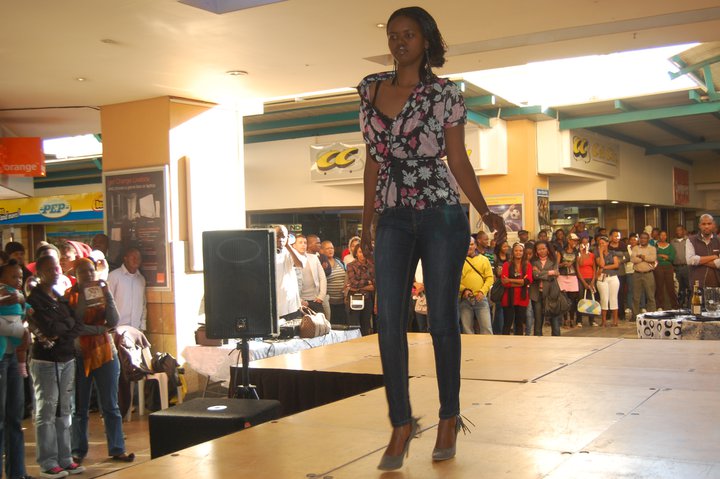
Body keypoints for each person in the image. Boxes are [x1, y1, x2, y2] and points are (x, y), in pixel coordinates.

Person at [357, 6, 506, 470]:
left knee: (442, 319)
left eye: (408, 34)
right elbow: (373, 159)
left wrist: (485, 210)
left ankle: (448, 416)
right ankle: (401, 423)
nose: (399, 42)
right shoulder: (369, 88)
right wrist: (367, 219)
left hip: (441, 211)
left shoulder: (445, 94)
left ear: (426, 41)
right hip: (393, 213)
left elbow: (457, 159)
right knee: (388, 320)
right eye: (393, 35)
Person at [67, 258, 134, 465]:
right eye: (83, 272)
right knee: (80, 407)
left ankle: (117, 449)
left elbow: (113, 321)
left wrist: (108, 295)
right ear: (76, 275)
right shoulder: (70, 296)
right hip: (81, 354)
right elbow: (75, 325)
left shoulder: (102, 290)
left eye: (91, 270)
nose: (88, 275)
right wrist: (99, 328)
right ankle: (78, 451)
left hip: (105, 353)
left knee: (110, 405)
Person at [27, 255, 85, 478]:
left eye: (57, 268)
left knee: (65, 410)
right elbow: (49, 328)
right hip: (46, 361)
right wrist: (64, 327)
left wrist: (63, 330)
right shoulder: (35, 299)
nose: (55, 272)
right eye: (49, 269)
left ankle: (65, 458)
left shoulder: (60, 298)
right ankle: (48, 462)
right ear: (40, 273)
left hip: (66, 358)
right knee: (47, 410)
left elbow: (76, 323)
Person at [0, 260, 32, 479]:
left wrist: (22, 301)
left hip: (14, 356)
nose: (18, 281)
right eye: (13, 277)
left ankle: (17, 472)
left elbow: (26, 316)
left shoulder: (17, 295)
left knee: (15, 416)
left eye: (20, 277)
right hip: (2, 357)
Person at [459, 236, 494, 335]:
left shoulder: (484, 260)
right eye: (467, 244)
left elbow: (490, 278)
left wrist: (482, 291)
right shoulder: (458, 261)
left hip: (480, 298)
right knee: (467, 330)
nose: (469, 247)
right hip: (464, 299)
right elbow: (454, 280)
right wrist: (464, 290)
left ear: (475, 246)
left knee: (486, 329)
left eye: (471, 244)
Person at [107, 247, 147, 331]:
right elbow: (107, 303)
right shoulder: (114, 276)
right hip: (117, 329)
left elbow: (143, 304)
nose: (136, 260)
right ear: (125, 258)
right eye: (133, 257)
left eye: (138, 258)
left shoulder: (141, 279)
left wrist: (142, 326)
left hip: (136, 329)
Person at [529, 241, 562, 336]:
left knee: (554, 320)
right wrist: (549, 272)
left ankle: (556, 340)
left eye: (543, 248)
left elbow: (555, 274)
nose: (542, 251)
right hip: (537, 294)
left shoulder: (553, 260)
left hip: (551, 294)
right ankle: (538, 340)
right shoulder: (533, 262)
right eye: (539, 249)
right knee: (538, 320)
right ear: (536, 251)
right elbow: (535, 275)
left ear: (548, 249)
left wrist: (541, 273)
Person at [291, 235, 327, 315]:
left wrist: (321, 296)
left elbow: (322, 277)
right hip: (299, 300)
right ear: (294, 245)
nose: (303, 245)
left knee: (321, 320)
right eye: (300, 242)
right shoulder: (290, 260)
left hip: (315, 298)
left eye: (305, 243)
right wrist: (300, 300)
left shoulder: (314, 258)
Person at [501, 243, 532, 335]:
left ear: (523, 252)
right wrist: (521, 282)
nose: (518, 253)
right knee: (507, 324)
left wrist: (510, 280)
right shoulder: (506, 265)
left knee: (519, 324)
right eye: (516, 251)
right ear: (513, 252)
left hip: (522, 298)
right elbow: (505, 283)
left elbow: (528, 281)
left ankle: (519, 343)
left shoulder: (527, 265)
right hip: (508, 298)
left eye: (520, 251)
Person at [272, 226, 302, 321]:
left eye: (283, 237)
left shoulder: (289, 251)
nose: (280, 239)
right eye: (277, 236)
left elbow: (300, 264)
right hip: (275, 304)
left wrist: (288, 246)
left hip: (291, 304)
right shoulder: (266, 252)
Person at [345, 243, 375, 336]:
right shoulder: (350, 265)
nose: (363, 254)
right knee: (354, 326)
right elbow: (353, 283)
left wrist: (360, 285)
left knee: (366, 326)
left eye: (365, 252)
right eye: (360, 252)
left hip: (368, 298)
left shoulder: (372, 265)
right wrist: (368, 283)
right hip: (355, 297)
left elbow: (374, 283)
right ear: (356, 253)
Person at [686, 214, 720, 289]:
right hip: (697, 285)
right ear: (699, 225)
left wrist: (699, 261)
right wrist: (713, 257)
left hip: (716, 285)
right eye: (703, 224)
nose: (706, 226)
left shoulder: (718, 240)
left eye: (709, 223)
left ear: (713, 225)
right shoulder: (691, 240)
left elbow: (719, 264)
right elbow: (690, 260)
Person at [320, 241, 347, 326]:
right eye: (327, 248)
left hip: (343, 301)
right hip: (329, 303)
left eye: (332, 248)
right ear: (322, 250)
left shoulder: (339, 261)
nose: (330, 250)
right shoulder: (321, 263)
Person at [631, 232, 658, 317]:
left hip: (648, 274)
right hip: (637, 274)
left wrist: (642, 257)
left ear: (648, 239)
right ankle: (635, 315)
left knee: (650, 296)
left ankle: (652, 315)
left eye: (645, 238)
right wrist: (645, 258)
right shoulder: (635, 248)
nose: (643, 240)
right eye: (641, 238)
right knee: (636, 296)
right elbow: (633, 259)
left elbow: (653, 258)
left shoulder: (652, 248)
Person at [596, 236, 621, 327]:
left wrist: (604, 268)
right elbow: (601, 264)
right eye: (600, 244)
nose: (601, 245)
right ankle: (604, 321)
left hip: (613, 277)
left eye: (603, 243)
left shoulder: (612, 252)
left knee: (613, 298)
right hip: (602, 278)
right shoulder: (597, 254)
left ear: (607, 243)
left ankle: (615, 321)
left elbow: (616, 265)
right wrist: (600, 253)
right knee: (604, 298)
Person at [557, 233, 579, 328]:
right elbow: (556, 265)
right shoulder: (561, 251)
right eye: (573, 240)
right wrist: (563, 264)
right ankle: (565, 319)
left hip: (572, 276)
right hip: (562, 276)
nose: (575, 242)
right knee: (564, 299)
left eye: (576, 241)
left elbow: (578, 264)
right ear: (569, 240)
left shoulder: (576, 252)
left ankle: (572, 318)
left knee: (573, 299)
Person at [576, 235, 598, 327]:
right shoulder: (578, 255)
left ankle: (591, 320)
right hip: (582, 279)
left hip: (591, 278)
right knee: (581, 299)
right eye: (583, 243)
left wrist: (593, 281)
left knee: (591, 299)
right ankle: (579, 320)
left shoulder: (592, 255)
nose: (585, 245)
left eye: (587, 243)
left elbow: (594, 268)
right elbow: (578, 268)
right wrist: (581, 253)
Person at [654, 230, 678, 310]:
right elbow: (655, 257)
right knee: (659, 286)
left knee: (670, 286)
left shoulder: (670, 246)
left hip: (668, 267)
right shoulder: (655, 246)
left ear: (666, 236)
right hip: (658, 267)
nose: (663, 237)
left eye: (664, 235)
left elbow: (672, 257)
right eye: (661, 235)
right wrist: (665, 257)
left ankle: (674, 305)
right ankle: (660, 306)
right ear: (659, 236)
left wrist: (663, 256)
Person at [491, 240, 509, 334]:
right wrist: (497, 273)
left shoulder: (509, 257)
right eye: (504, 246)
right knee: (499, 308)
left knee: (506, 309)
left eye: (507, 246)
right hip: (498, 285)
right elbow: (494, 272)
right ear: (499, 247)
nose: (506, 248)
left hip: (508, 284)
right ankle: (498, 331)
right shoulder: (494, 257)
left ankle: (504, 330)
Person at [671, 225, 690, 308]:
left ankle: (689, 304)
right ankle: (680, 304)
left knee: (689, 286)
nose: (678, 232)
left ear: (683, 231)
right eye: (677, 230)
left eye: (680, 230)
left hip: (687, 267)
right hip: (677, 268)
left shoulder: (688, 240)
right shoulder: (672, 242)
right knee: (679, 288)